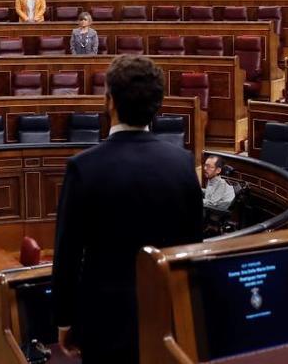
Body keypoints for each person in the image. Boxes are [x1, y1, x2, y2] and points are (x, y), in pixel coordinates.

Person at [52, 55, 203, 362]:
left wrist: (65, 319)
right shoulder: (182, 163)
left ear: (109, 102)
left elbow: (66, 254)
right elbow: (193, 248)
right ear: (157, 106)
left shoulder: (83, 167)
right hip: (168, 318)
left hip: (104, 321)